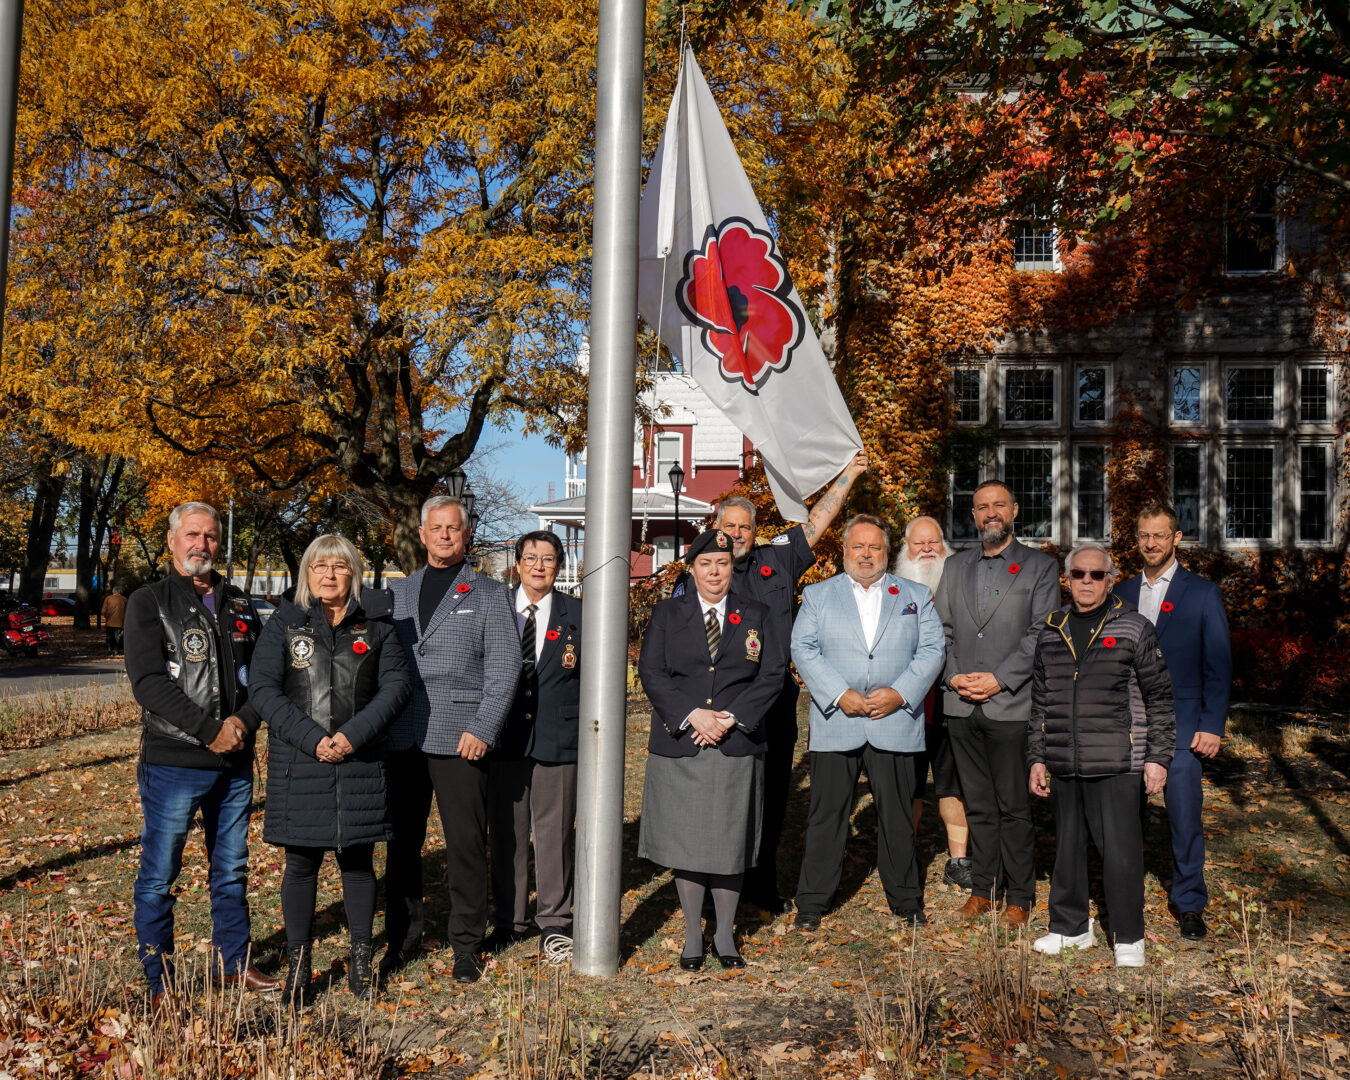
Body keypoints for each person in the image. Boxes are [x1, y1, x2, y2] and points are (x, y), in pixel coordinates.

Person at [686, 449, 868, 913]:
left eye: (745, 526)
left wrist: (846, 474)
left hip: (774, 698)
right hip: (720, 700)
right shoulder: (702, 572)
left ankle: (760, 885)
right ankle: (713, 887)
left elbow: (817, 525)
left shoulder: (778, 560)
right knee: (719, 794)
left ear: (755, 531)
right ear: (715, 527)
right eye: (729, 526)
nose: (736, 534)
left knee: (770, 793)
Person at [123, 502, 281, 1005]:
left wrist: (241, 724)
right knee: (159, 875)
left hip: (233, 762)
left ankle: (232, 963)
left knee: (231, 868)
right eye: (192, 535)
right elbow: (147, 683)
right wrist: (209, 728)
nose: (202, 545)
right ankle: (159, 981)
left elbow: (264, 679)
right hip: (174, 760)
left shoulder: (238, 602)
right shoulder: (148, 601)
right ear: (172, 541)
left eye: (211, 537)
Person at [250, 535, 410, 1003]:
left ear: (353, 573)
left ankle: (361, 962)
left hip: (360, 761)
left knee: (357, 862)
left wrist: (351, 737)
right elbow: (262, 688)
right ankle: (301, 967)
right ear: (306, 573)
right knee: (300, 865)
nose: (328, 575)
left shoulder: (377, 625)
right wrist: (313, 740)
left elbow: (396, 688)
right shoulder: (284, 623)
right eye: (319, 566)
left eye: (339, 567)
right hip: (300, 762)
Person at [382, 495, 520, 985]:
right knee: (402, 846)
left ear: (466, 535)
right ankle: (401, 940)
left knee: (464, 844)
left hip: (461, 738)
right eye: (436, 528)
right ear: (421, 534)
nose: (444, 536)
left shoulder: (490, 594)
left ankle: (466, 944)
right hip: (401, 736)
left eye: (453, 528)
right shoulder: (396, 594)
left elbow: (504, 671)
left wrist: (483, 729)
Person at [638, 529, 787, 970]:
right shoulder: (668, 613)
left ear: (731, 568)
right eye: (706, 564)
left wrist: (729, 718)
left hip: (735, 740)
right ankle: (691, 937)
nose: (715, 571)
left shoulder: (756, 613)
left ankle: (724, 936)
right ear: (693, 568)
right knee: (687, 842)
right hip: (682, 740)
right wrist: (693, 715)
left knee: (728, 841)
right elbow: (652, 671)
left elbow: (772, 672)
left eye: (722, 563)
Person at [791, 515, 945, 929]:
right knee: (827, 816)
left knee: (897, 815)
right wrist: (840, 694)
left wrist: (901, 693)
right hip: (836, 718)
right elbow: (802, 647)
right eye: (857, 547)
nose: (865, 554)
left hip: (894, 718)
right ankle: (812, 903)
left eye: (874, 547)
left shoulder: (914, 595)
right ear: (844, 552)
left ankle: (907, 900)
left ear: (886, 552)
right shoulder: (819, 595)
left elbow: (932, 649)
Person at [1028, 543, 1175, 967]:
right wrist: (1036, 757)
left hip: (1118, 762)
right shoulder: (1051, 629)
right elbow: (1040, 703)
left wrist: (1157, 758)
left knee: (1122, 854)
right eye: (1078, 574)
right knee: (1067, 850)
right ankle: (1070, 928)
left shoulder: (1133, 627)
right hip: (1063, 760)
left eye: (1096, 575)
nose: (1087, 582)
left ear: (1111, 580)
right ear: (1067, 579)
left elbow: (1160, 699)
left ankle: (1129, 936)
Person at [934, 480, 1060, 927]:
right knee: (978, 804)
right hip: (961, 704)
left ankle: (1020, 897)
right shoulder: (955, 567)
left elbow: (1041, 633)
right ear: (973, 515)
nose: (991, 513)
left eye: (999, 505)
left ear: (1014, 510)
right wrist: (952, 676)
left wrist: (999, 680)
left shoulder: (1040, 568)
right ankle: (984, 888)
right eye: (982, 506)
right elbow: (941, 630)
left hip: (1010, 705)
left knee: (1013, 806)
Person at [1114, 503, 1231, 941]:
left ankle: (1189, 903)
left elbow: (1218, 664)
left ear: (1177, 538)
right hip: (1128, 726)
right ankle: (1123, 898)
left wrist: (1212, 724)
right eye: (1144, 534)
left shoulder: (1202, 593)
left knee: (1184, 820)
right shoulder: (1121, 592)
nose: (1150, 543)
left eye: (1160, 535)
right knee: (1125, 818)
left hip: (1183, 727)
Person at [487, 530, 584, 964]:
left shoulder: (579, 614)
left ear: (559, 566)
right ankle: (509, 920)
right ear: (518, 563)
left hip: (556, 739)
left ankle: (554, 921)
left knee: (554, 833)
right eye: (531, 557)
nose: (539, 566)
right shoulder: (495, 610)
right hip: (503, 738)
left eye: (548, 558)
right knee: (506, 833)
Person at [894, 516, 971, 890]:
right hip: (903, 702)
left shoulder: (959, 585)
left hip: (949, 701)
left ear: (945, 545)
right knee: (908, 784)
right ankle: (904, 855)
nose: (926, 550)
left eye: (933, 542)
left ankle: (959, 860)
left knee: (951, 784)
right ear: (905, 549)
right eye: (918, 543)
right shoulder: (892, 589)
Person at [102, 585, 128, 655]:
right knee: (118, 636)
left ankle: (110, 648)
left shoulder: (108, 598)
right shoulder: (124, 599)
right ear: (120, 591)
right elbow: (127, 611)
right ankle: (117, 649)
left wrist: (107, 616)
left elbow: (103, 611)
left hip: (110, 622)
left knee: (110, 636)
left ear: (113, 591)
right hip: (121, 622)